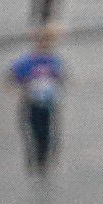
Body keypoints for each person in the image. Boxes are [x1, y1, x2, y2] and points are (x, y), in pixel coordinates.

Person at [8, 29, 66, 177]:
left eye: (47, 42)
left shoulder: (54, 61)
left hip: (48, 102)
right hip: (31, 102)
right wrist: (23, 87)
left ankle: (44, 159)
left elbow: (61, 77)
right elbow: (12, 77)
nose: (44, 46)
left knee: (47, 131)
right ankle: (35, 157)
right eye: (41, 42)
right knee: (32, 130)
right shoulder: (26, 61)